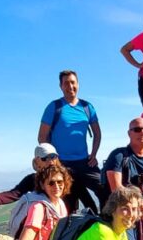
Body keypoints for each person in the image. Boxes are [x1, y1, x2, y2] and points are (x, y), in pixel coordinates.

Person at [39, 70, 103, 213]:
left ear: (78, 84)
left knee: (104, 187)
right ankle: (74, 225)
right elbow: (42, 137)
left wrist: (93, 154)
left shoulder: (87, 107)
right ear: (61, 86)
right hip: (62, 163)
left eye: (73, 82)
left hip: (85, 162)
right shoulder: (54, 107)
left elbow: (97, 133)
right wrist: (53, 160)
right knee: (69, 204)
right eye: (66, 83)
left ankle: (106, 220)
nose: (70, 86)